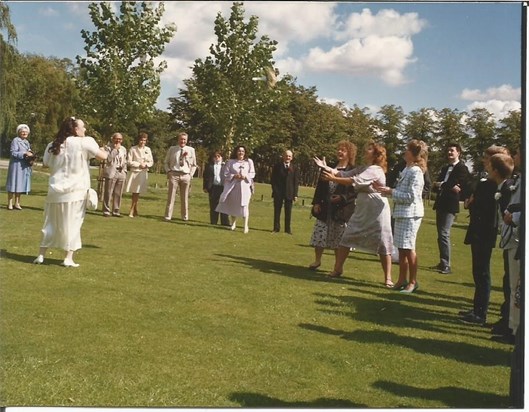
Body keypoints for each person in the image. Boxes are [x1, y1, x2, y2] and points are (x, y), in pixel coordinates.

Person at [314, 141, 393, 286]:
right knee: (346, 238)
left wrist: (333, 179)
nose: (365, 151)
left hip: (376, 210)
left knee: (383, 242)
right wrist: (325, 167)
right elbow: (343, 173)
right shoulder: (364, 167)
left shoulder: (375, 169)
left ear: (376, 154)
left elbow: (352, 180)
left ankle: (388, 278)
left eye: (369, 149)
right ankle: (338, 270)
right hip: (362, 209)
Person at [33, 117, 107, 267]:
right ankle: (68, 257)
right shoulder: (84, 141)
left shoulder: (53, 144)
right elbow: (102, 157)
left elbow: (46, 164)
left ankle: (41, 255)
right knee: (73, 224)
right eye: (82, 127)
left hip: (55, 190)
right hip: (76, 191)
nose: (85, 129)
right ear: (75, 129)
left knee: (50, 223)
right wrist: (105, 149)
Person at [457, 145, 510, 325]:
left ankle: (480, 313)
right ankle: (477, 308)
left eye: (487, 159)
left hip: (484, 229)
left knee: (482, 271)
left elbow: (479, 203)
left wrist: (472, 201)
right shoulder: (487, 182)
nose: (484, 162)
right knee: (478, 271)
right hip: (480, 228)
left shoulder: (493, 185)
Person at [375, 139, 428, 293]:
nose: (405, 152)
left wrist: (391, 192)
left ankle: (412, 281)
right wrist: (389, 190)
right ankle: (401, 280)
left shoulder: (416, 172)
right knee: (402, 249)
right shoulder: (407, 169)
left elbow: (411, 196)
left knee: (409, 248)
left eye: (407, 150)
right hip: (401, 214)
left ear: (414, 154)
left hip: (411, 215)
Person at [308, 140, 357, 271]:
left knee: (339, 239)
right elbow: (320, 187)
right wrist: (316, 203)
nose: (340, 152)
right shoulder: (329, 166)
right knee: (320, 234)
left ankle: (338, 265)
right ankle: (317, 260)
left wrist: (341, 197)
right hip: (325, 207)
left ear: (350, 153)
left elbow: (353, 192)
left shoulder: (352, 171)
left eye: (343, 150)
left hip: (341, 210)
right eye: (339, 149)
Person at [492, 150, 520, 344]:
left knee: (517, 288)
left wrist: (514, 218)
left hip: (518, 237)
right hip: (513, 236)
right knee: (512, 286)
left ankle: (516, 330)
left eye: (518, 153)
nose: (516, 157)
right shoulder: (520, 179)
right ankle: (512, 327)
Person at [431, 142, 470, 274]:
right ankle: (442, 262)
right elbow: (437, 185)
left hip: (450, 205)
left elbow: (458, 187)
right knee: (440, 235)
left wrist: (444, 184)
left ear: (458, 153)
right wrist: (445, 185)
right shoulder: (444, 168)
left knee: (444, 234)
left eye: (452, 151)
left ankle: (447, 265)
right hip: (441, 203)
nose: (449, 153)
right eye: (448, 151)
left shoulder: (462, 168)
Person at [215, 145, 255, 233]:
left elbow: (252, 173)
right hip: (233, 187)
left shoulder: (249, 162)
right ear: (236, 152)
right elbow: (226, 174)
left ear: (245, 153)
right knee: (234, 205)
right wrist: (234, 176)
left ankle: (245, 226)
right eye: (239, 151)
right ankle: (233, 223)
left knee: (244, 206)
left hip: (244, 187)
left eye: (243, 151)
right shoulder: (230, 162)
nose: (241, 153)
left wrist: (245, 176)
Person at [164, 132, 198, 221]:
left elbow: (194, 165)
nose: (182, 141)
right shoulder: (172, 149)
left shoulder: (191, 150)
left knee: (185, 197)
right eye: (181, 139)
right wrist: (168, 172)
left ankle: (185, 217)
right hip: (174, 174)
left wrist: (190, 175)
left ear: (186, 140)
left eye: (184, 139)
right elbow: (166, 162)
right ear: (178, 140)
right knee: (171, 196)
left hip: (185, 175)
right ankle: (168, 216)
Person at [6, 124, 35, 210]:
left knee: (20, 184)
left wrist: (31, 156)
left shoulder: (26, 142)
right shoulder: (15, 140)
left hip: (24, 166)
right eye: (22, 131)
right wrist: (24, 153)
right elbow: (13, 153)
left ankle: (17, 203)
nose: (24, 133)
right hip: (16, 166)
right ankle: (10, 203)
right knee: (13, 183)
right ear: (19, 132)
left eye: (26, 132)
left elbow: (28, 151)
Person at [271, 149, 300, 234]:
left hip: (289, 193)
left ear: (292, 158)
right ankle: (276, 228)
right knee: (277, 211)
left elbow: (296, 182)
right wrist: (275, 191)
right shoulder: (277, 166)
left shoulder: (294, 168)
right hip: (278, 192)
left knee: (288, 212)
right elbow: (273, 180)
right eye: (286, 156)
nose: (288, 157)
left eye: (289, 156)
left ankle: (287, 230)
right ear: (283, 156)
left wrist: (295, 194)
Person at [125, 132, 153, 218]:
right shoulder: (133, 149)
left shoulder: (148, 150)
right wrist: (138, 164)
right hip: (135, 172)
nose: (142, 142)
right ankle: (132, 209)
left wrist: (146, 165)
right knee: (135, 192)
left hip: (143, 173)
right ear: (138, 140)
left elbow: (151, 161)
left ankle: (135, 209)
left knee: (138, 192)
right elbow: (129, 161)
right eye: (141, 140)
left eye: (144, 140)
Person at [101, 132, 127, 217]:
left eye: (120, 139)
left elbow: (124, 160)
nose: (118, 141)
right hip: (112, 171)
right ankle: (106, 210)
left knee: (118, 193)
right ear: (113, 139)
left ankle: (116, 210)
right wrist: (115, 149)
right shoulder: (108, 148)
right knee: (108, 192)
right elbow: (108, 159)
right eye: (117, 139)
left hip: (121, 172)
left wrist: (124, 170)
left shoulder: (123, 149)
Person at [203, 150, 230, 226]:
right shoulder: (209, 166)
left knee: (224, 204)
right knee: (213, 205)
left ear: (221, 157)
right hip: (213, 187)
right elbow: (205, 177)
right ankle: (213, 221)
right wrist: (205, 187)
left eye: (219, 156)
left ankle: (225, 222)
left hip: (223, 187)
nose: (217, 158)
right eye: (215, 156)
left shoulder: (225, 166)